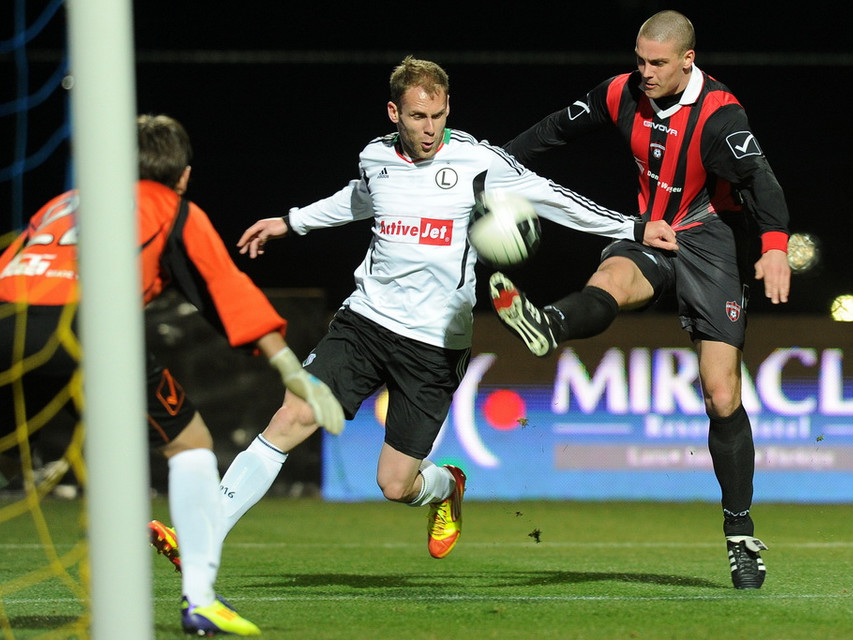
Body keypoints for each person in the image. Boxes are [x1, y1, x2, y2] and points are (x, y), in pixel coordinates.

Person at [147, 55, 677, 569]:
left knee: (395, 484)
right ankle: (201, 531)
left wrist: (631, 228)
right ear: (394, 113)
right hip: (365, 322)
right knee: (293, 415)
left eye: (439, 116)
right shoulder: (376, 157)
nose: (430, 129)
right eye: (418, 117)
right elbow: (359, 198)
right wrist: (291, 221)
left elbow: (552, 197)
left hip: (435, 343)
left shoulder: (477, 160)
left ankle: (447, 487)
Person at [0, 114, 344, 636]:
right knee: (190, 443)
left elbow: (2, 274)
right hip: (84, 323)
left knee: (3, 455)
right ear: (184, 176)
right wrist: (293, 371)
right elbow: (227, 291)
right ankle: (200, 599)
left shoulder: (64, 201)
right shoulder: (171, 206)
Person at [489, 10, 791, 589]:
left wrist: (774, 246)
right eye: (639, 59)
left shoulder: (722, 117)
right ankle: (548, 323)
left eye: (657, 63)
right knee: (611, 284)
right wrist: (491, 165)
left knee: (722, 394)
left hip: (710, 242)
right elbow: (555, 128)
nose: (644, 72)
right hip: (652, 232)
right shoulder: (619, 93)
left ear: (687, 61)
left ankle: (740, 534)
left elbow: (760, 182)